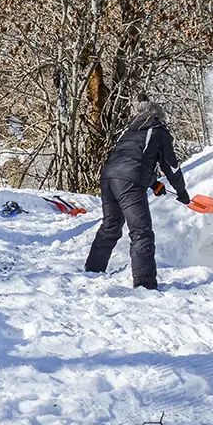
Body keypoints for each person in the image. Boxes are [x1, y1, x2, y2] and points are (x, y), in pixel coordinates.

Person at [84, 95, 189, 289]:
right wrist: (182, 192)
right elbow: (171, 167)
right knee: (141, 233)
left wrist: (153, 184)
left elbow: (131, 160)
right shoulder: (158, 132)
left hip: (108, 178)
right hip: (129, 182)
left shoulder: (129, 130)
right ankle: (145, 284)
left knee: (111, 226)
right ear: (158, 117)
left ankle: (92, 271)